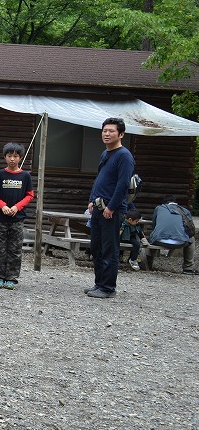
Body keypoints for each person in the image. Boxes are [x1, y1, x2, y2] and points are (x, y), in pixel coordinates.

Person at [85, 118, 134, 299]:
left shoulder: (124, 156)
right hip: (98, 207)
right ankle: (99, 283)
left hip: (111, 209)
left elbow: (122, 185)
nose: (107, 134)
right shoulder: (106, 154)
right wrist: (91, 200)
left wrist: (112, 207)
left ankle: (108, 287)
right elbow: (99, 180)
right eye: (104, 130)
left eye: (111, 131)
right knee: (96, 247)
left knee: (109, 248)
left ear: (121, 134)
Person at [0, 142, 34, 290]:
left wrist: (16, 207)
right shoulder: (0, 174)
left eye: (15, 156)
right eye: (9, 156)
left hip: (18, 218)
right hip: (1, 218)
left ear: (20, 157)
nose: (12, 159)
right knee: (0, 248)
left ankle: (12, 277)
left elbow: (30, 195)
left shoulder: (25, 175)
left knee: (15, 249)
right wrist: (3, 206)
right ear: (5, 157)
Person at [149, 197, 196, 274]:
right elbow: (190, 228)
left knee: (153, 235)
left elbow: (154, 225)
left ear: (164, 203)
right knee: (192, 239)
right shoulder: (185, 211)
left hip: (159, 241)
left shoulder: (159, 208)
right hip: (180, 242)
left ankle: (149, 263)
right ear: (175, 203)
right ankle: (188, 267)